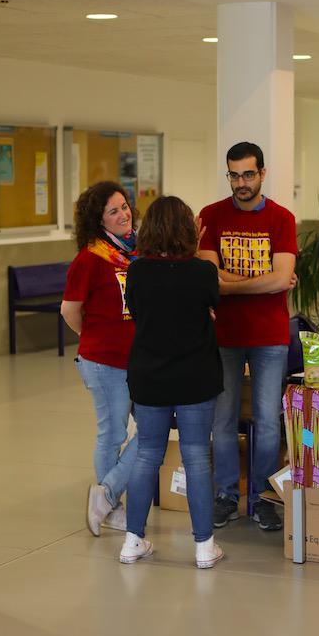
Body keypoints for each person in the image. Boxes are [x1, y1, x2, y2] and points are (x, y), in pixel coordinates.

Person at [119, 196, 225, 568]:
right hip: (196, 375)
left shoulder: (137, 272)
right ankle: (203, 547)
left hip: (149, 376)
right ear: (188, 230)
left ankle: (133, 540)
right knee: (196, 455)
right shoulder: (203, 272)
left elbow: (136, 310)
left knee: (148, 453)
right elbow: (212, 304)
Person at [198, 142, 297, 532]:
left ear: (262, 173)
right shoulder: (210, 216)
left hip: (270, 336)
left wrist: (228, 284)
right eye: (234, 175)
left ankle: (262, 498)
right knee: (221, 420)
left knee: (269, 422)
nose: (241, 183)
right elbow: (211, 276)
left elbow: (277, 277)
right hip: (222, 335)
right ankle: (226, 495)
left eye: (248, 174)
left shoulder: (282, 219)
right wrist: (266, 283)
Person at [61, 181, 140, 538]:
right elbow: (70, 310)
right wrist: (93, 337)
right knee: (113, 434)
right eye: (114, 211)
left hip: (139, 357)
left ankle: (105, 494)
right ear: (99, 220)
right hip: (104, 361)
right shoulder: (91, 258)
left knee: (154, 429)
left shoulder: (136, 252)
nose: (124, 214)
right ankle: (112, 507)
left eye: (125, 206)